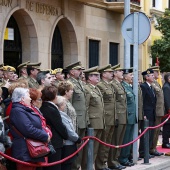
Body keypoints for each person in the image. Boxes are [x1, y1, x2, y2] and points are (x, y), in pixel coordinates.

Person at [9, 87, 50, 170]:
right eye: (28, 96)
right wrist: (45, 136)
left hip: (30, 150)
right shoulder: (17, 111)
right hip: (25, 151)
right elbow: (28, 129)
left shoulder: (24, 109)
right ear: (22, 98)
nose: (30, 98)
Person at [66, 61, 88, 170]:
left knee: (82, 147)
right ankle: (75, 167)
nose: (81, 72)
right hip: (75, 120)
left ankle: (80, 166)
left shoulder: (79, 83)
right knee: (76, 147)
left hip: (83, 119)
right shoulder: (70, 83)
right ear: (72, 71)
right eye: (78, 70)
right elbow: (69, 104)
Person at [81, 66, 105, 170]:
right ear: (89, 78)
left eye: (97, 75)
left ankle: (93, 166)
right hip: (93, 122)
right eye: (94, 75)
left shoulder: (96, 88)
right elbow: (85, 107)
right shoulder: (87, 89)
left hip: (100, 121)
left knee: (97, 148)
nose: (97, 77)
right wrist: (87, 122)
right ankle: (87, 167)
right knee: (91, 148)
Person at [40, 86, 68, 170]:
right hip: (54, 142)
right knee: (54, 166)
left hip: (50, 141)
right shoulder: (51, 109)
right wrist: (65, 135)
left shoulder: (44, 107)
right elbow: (59, 125)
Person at [96, 64, 116, 170]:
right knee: (103, 143)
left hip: (111, 117)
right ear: (103, 74)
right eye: (109, 72)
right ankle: (100, 165)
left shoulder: (109, 85)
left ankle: (105, 163)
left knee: (108, 142)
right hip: (105, 117)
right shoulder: (100, 85)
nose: (112, 74)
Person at [108, 64, 127, 170]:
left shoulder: (119, 84)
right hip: (117, 116)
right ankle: (112, 161)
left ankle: (116, 159)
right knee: (115, 140)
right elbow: (114, 102)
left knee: (119, 140)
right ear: (115, 73)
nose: (122, 72)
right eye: (120, 71)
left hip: (123, 115)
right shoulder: (113, 85)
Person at [56, 96, 81, 170]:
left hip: (70, 143)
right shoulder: (61, 115)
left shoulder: (63, 114)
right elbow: (68, 130)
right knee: (66, 166)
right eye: (64, 104)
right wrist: (77, 138)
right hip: (67, 144)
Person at [118, 68, 136, 166]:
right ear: (125, 77)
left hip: (131, 117)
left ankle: (127, 156)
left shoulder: (129, 86)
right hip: (127, 116)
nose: (132, 77)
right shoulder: (123, 86)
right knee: (125, 139)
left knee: (129, 138)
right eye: (130, 75)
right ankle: (123, 158)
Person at [139, 69, 156, 158]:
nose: (153, 77)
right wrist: (144, 113)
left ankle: (147, 151)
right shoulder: (143, 86)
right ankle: (143, 152)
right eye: (152, 75)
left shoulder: (151, 87)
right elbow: (142, 101)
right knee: (145, 134)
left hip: (152, 113)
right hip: (147, 113)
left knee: (150, 134)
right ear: (146, 77)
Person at [149, 66, 164, 155]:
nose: (158, 74)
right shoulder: (152, 84)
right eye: (156, 72)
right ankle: (151, 149)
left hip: (160, 110)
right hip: (156, 111)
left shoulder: (157, 84)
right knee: (154, 131)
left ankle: (153, 148)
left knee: (157, 131)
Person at [162, 72, 170, 148]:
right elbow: (167, 100)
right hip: (167, 112)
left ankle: (167, 141)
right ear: (168, 79)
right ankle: (165, 142)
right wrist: (169, 110)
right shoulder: (166, 87)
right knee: (167, 127)